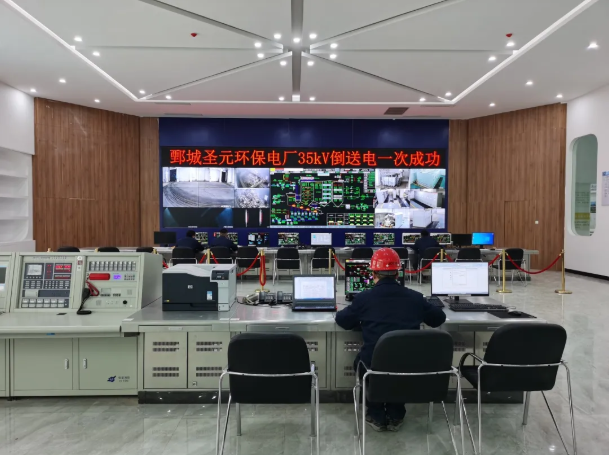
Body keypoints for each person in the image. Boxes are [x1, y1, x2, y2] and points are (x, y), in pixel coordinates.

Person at [335, 248, 446, 432]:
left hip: (372, 366)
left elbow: (343, 321)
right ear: (397, 273)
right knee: (399, 362)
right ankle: (396, 415)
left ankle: (376, 414)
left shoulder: (364, 298)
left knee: (365, 361)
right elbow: (438, 319)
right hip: (409, 365)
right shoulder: (415, 298)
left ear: (373, 273)